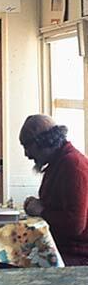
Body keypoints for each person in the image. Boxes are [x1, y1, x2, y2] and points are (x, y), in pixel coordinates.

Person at [19, 114, 88, 266]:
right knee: (0, 260)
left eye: (27, 147)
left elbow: (76, 225)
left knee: (2, 264)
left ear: (42, 142)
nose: (27, 155)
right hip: (59, 246)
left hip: (75, 253)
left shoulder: (73, 165)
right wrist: (38, 205)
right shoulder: (59, 161)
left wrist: (42, 211)